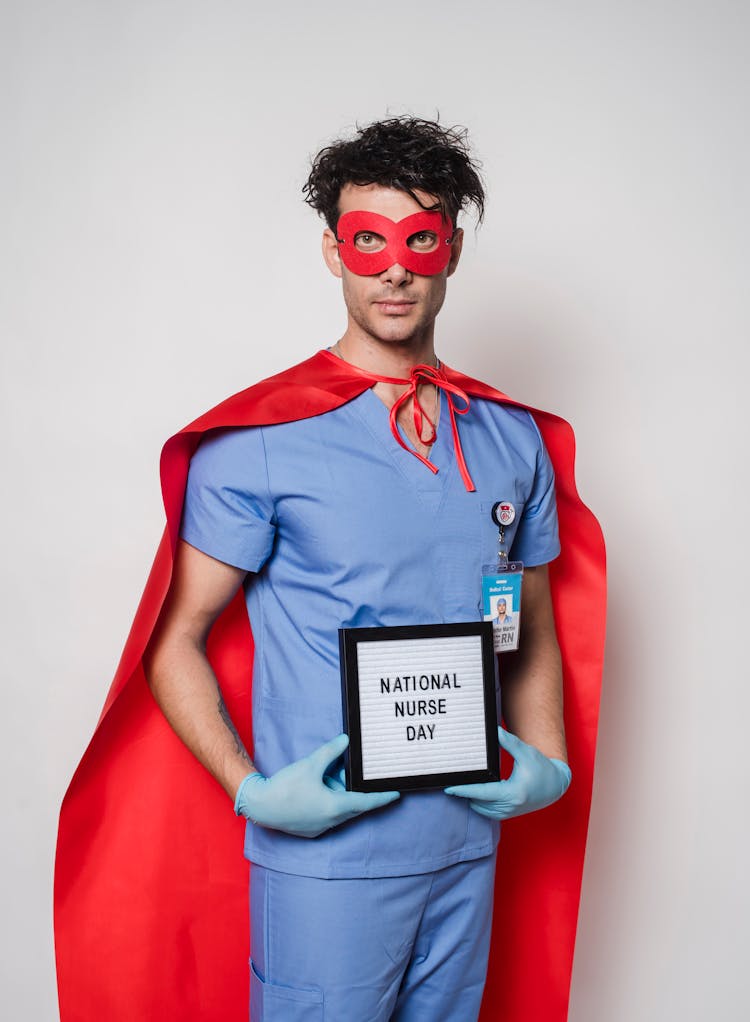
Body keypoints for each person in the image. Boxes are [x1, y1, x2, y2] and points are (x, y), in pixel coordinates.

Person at [54, 116, 606, 1022]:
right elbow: (176, 639)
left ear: (451, 251)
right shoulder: (263, 443)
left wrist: (544, 758)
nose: (394, 268)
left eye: (419, 240)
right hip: (327, 860)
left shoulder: (510, 440)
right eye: (369, 240)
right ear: (332, 250)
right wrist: (254, 791)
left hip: (467, 850)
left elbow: (531, 621)